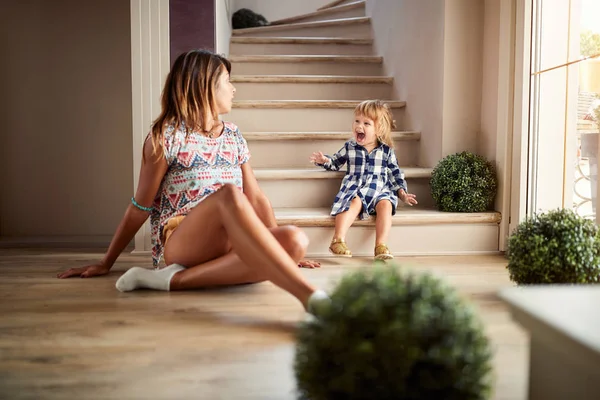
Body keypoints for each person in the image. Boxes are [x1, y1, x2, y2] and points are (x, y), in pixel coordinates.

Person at [57, 49, 328, 315]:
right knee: (230, 195)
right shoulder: (166, 136)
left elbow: (256, 196)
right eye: (227, 82)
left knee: (294, 239)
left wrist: (275, 248)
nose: (234, 89)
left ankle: (171, 280)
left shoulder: (233, 135)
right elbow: (140, 206)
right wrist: (107, 262)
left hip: (232, 240)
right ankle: (307, 295)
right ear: (204, 87)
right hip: (184, 238)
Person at [309, 100, 418, 260]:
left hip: (379, 190)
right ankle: (337, 239)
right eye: (357, 121)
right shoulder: (350, 147)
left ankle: (381, 245)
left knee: (386, 204)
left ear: (378, 129)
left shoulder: (386, 151)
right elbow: (336, 162)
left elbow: (395, 173)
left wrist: (402, 193)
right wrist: (325, 161)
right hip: (356, 188)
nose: (359, 126)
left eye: (366, 123)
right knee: (353, 202)